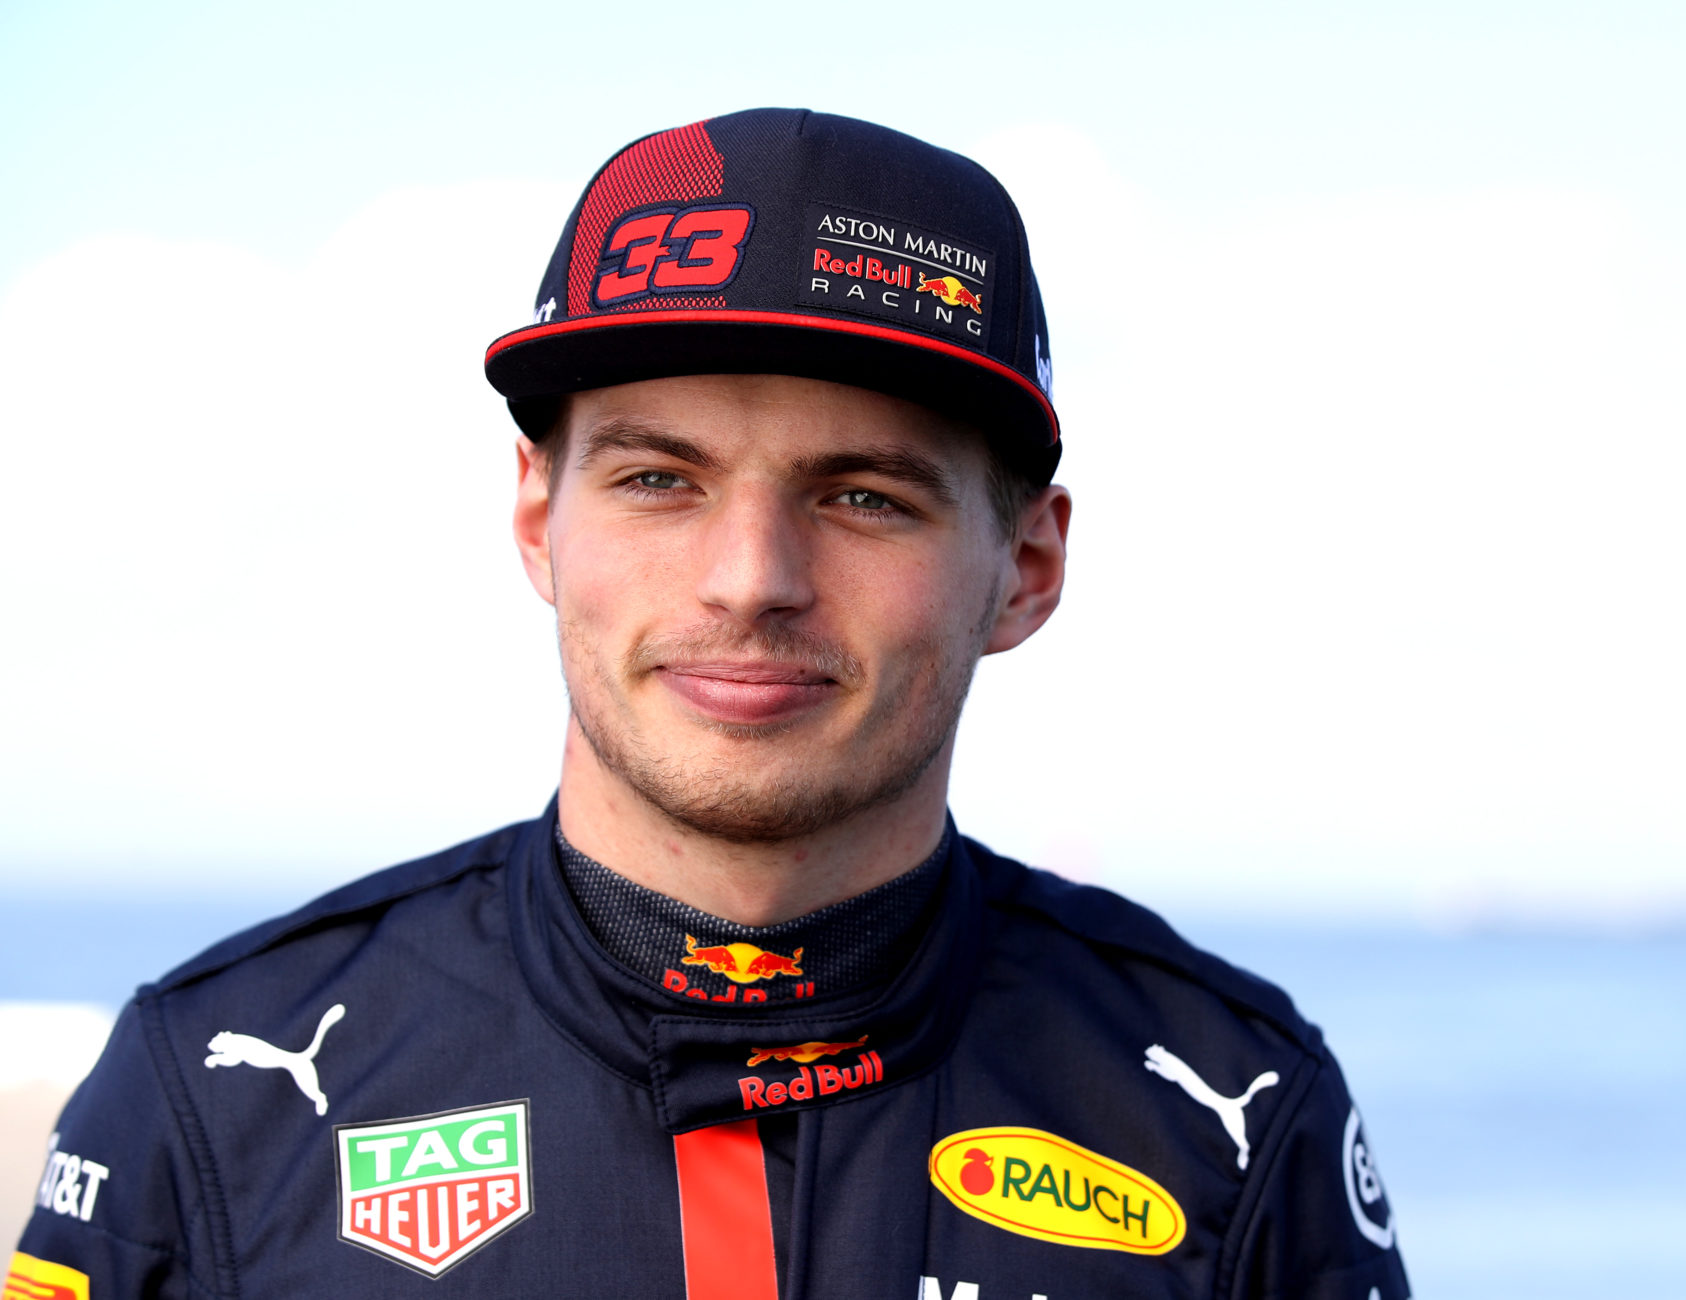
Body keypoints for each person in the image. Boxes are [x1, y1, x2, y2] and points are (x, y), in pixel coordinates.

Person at [10, 109, 1411, 1300]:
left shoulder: (1234, 1113)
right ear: (537, 515)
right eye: (660, 479)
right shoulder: (209, 1091)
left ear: (1027, 569)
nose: (751, 581)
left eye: (864, 495)